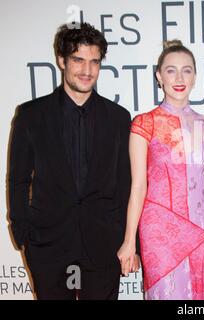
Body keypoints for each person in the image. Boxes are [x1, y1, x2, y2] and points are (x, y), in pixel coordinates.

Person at [8, 22, 135, 299]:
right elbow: (18, 179)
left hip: (103, 246)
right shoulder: (31, 115)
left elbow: (124, 183)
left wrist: (127, 239)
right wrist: (23, 232)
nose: (87, 70)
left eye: (94, 62)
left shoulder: (118, 118)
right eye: (78, 60)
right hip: (48, 244)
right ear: (61, 60)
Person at [117, 40, 204, 300]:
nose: (179, 77)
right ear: (159, 76)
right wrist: (129, 240)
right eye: (171, 70)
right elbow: (138, 186)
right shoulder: (145, 122)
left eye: (187, 70)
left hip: (202, 227)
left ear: (195, 76)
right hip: (159, 232)